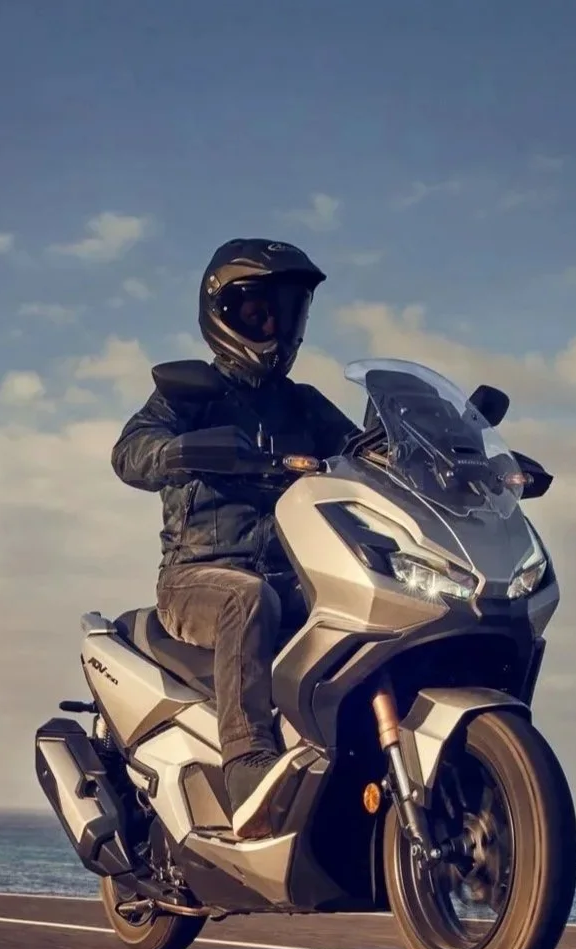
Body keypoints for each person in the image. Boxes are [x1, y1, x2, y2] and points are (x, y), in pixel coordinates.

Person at [109, 238, 360, 840]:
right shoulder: (191, 393)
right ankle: (248, 764)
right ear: (221, 314)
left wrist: (444, 458)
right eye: (257, 312)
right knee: (247, 598)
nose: (274, 325)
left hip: (294, 573)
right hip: (200, 578)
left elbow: (362, 451)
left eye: (286, 311)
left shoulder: (303, 405)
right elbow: (130, 452)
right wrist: (179, 449)